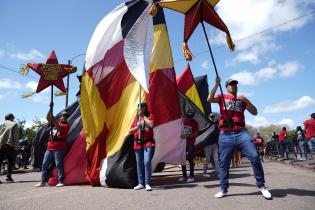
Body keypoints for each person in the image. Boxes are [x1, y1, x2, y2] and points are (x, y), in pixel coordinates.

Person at [208, 77, 272, 199]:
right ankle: (223, 189)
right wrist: (216, 84)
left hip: (241, 132)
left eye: (235, 84)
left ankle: (261, 186)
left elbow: (255, 112)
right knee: (224, 162)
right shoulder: (222, 97)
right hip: (225, 133)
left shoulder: (242, 100)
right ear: (226, 87)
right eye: (230, 84)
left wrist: (247, 101)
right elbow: (209, 99)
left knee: (254, 156)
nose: (233, 86)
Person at [35, 106, 70, 187]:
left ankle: (61, 181)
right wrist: (50, 108)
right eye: (63, 116)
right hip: (49, 148)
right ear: (60, 117)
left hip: (59, 149)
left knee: (59, 165)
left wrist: (53, 119)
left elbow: (59, 128)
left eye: (66, 116)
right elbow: (48, 117)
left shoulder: (66, 126)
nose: (64, 117)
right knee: (44, 164)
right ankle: (43, 181)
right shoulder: (54, 123)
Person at [129, 102, 155, 191]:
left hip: (148, 143)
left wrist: (143, 117)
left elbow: (151, 125)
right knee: (139, 163)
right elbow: (130, 131)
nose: (140, 108)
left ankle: (147, 183)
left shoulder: (150, 116)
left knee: (147, 162)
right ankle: (141, 183)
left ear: (145, 108)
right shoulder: (136, 119)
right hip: (138, 143)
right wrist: (137, 127)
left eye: (142, 106)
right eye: (139, 107)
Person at [179, 109, 199, 183]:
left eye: (191, 117)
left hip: (191, 143)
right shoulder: (182, 121)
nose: (189, 118)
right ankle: (184, 176)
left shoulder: (194, 123)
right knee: (182, 159)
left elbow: (196, 133)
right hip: (183, 144)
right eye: (188, 116)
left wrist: (187, 136)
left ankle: (191, 176)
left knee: (190, 157)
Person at [0, 113, 20, 182]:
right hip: (9, 145)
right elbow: (16, 136)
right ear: (11, 118)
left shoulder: (2, 124)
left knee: (0, 161)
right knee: (10, 161)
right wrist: (17, 145)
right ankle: (8, 177)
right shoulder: (14, 124)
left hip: (1, 144)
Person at [203, 112, 220, 177]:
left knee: (216, 158)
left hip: (215, 143)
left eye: (213, 116)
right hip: (207, 144)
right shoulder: (206, 124)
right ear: (209, 117)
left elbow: (218, 133)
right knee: (207, 158)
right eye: (211, 117)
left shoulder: (216, 124)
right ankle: (204, 172)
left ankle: (219, 173)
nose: (212, 118)